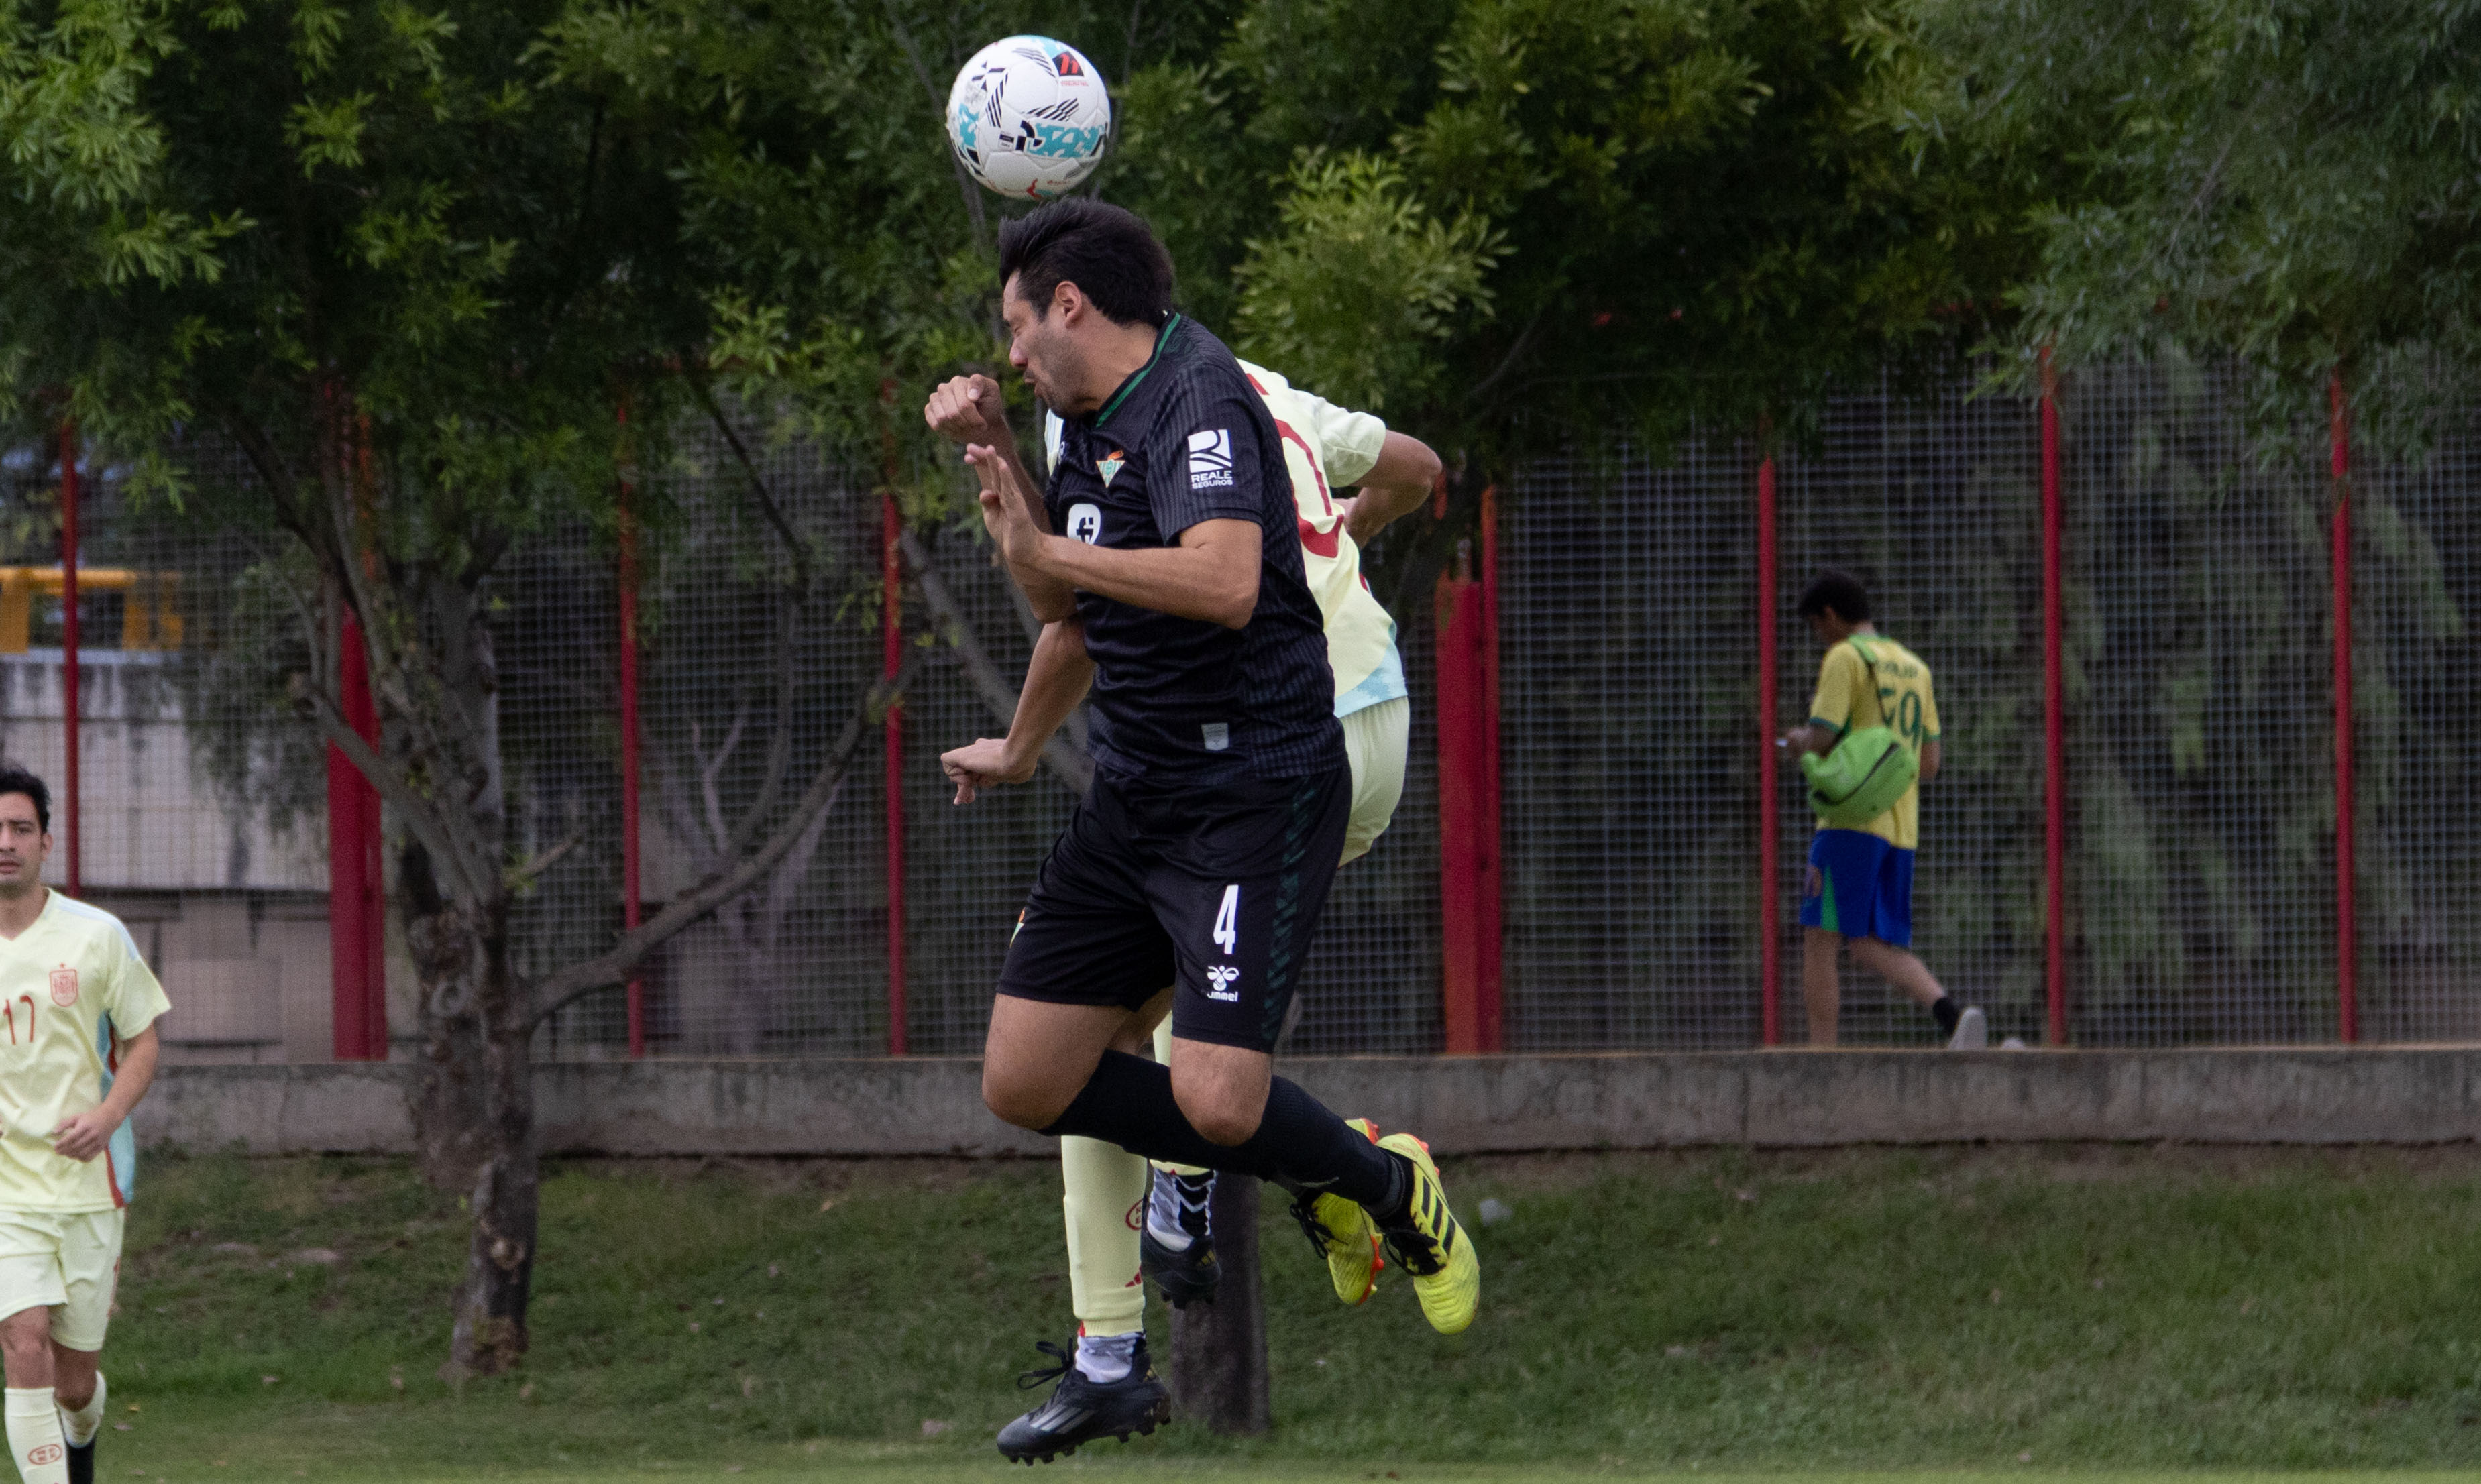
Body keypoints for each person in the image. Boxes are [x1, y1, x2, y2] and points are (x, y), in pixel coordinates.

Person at [924, 198, 1478, 1461]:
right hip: (1140, 791)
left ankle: (1385, 1186)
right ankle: (1170, 1299)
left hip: (1254, 792)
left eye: (1015, 326)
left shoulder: (1200, 398)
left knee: (1217, 1103)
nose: (1009, 352)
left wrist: (1050, 544)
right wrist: (1004, 466)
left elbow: (1224, 582)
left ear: (1069, 304)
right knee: (1024, 1080)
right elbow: (1062, 605)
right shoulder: (1083, 416)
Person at [0, 767, 170, 1484]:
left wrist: (107, 1116)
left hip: (89, 1189)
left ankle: (82, 1433)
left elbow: (143, 1040)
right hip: (7, 1192)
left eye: (20, 828)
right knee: (23, 1342)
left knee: (72, 1382)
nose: (5, 842)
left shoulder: (98, 935)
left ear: (45, 841)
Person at [1778, 571, 1984, 1050]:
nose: (1818, 636)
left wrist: (1798, 741)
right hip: (1900, 827)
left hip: (1849, 822)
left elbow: (1823, 737)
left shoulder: (1844, 657)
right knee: (1868, 943)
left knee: (1819, 937)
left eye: (1816, 625)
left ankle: (1822, 1059)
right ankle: (1952, 1016)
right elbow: (1929, 764)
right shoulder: (1915, 668)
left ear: (1831, 616)